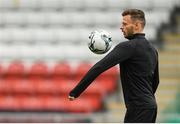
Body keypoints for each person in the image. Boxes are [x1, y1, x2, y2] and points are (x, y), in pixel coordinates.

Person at [69, 9, 159, 123]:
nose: (121, 27)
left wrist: (76, 91)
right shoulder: (153, 50)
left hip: (138, 108)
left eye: (125, 24)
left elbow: (99, 67)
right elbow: (156, 81)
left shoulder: (128, 47)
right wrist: (146, 98)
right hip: (150, 106)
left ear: (137, 25)